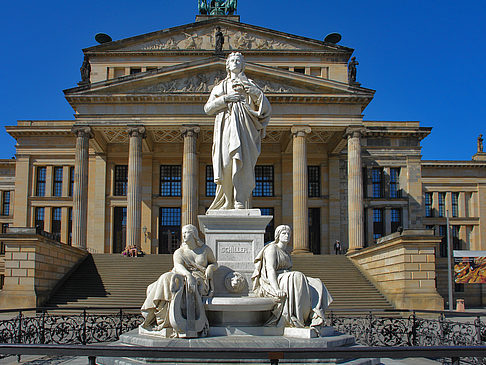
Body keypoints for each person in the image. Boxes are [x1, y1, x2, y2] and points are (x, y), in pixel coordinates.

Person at [204, 52, 271, 210]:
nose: (235, 63)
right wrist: (226, 99)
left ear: (243, 65)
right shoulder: (220, 86)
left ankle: (239, 199)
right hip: (226, 125)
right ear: (227, 65)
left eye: (238, 61)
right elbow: (207, 108)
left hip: (245, 127)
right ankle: (228, 200)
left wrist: (251, 91)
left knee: (242, 164)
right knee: (226, 163)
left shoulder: (251, 84)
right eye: (232, 60)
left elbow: (265, 107)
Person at [140, 224, 218, 337]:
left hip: (200, 280)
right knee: (166, 278)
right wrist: (188, 275)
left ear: (194, 234)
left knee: (168, 279)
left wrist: (210, 268)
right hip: (183, 275)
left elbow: (214, 263)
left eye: (187, 233)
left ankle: (156, 316)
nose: (184, 235)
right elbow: (178, 266)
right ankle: (156, 316)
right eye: (183, 233)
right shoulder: (179, 252)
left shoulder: (205, 250)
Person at [252, 225, 333, 329]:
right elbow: (270, 270)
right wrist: (276, 289)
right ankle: (296, 318)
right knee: (297, 276)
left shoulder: (286, 252)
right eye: (284, 233)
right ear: (277, 235)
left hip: (287, 278)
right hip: (275, 279)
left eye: (288, 234)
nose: (287, 236)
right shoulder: (272, 248)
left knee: (316, 282)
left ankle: (314, 314)